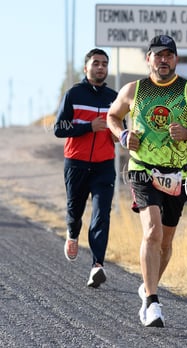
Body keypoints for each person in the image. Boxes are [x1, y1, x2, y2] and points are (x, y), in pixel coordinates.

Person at [107, 35, 187, 327]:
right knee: (152, 232)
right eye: (158, 55)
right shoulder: (134, 90)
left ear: (176, 60)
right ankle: (152, 302)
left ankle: (148, 285)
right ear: (148, 59)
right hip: (142, 169)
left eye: (169, 55)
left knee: (166, 243)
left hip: (178, 174)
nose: (163, 60)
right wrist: (123, 135)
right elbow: (112, 116)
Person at [54, 48, 117, 288]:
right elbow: (60, 128)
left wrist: (119, 136)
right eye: (96, 63)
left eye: (104, 63)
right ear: (86, 68)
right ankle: (72, 233)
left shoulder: (115, 97)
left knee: (101, 215)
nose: (100, 67)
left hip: (104, 165)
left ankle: (97, 266)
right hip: (76, 163)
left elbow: (121, 129)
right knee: (75, 211)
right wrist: (88, 127)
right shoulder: (74, 94)